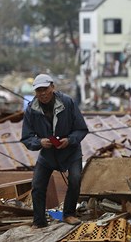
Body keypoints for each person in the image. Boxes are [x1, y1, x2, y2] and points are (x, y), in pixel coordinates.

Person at [21, 73, 89, 228]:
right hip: (47, 154)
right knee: (37, 185)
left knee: (75, 179)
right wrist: (40, 142)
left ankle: (69, 214)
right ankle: (39, 221)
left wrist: (69, 140)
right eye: (39, 91)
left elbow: (81, 129)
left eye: (45, 89)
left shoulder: (67, 102)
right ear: (35, 92)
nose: (43, 93)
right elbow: (26, 136)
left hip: (71, 152)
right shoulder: (32, 109)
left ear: (52, 87)